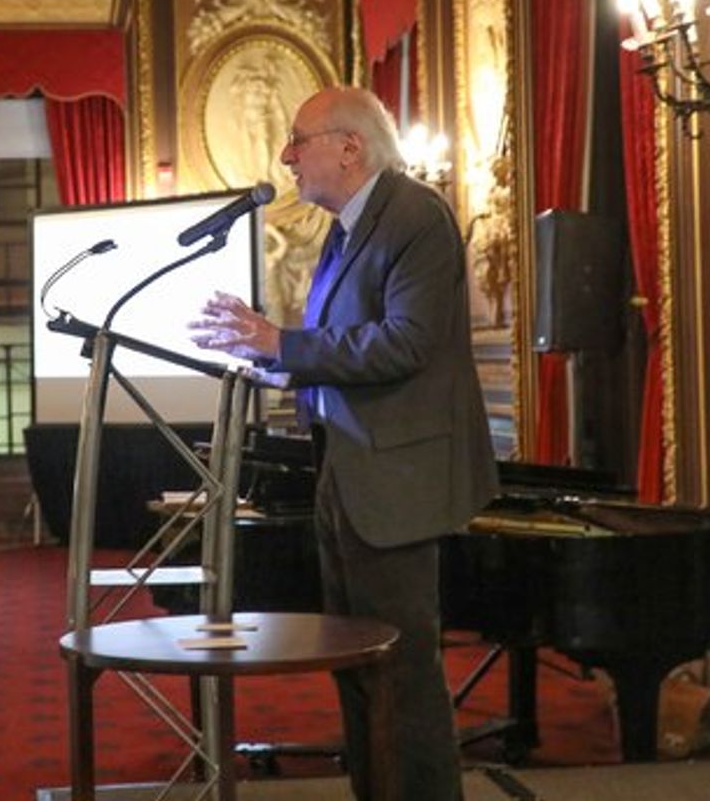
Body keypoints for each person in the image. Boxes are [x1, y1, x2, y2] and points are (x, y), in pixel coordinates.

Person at [190, 86, 498, 800]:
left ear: (349, 147)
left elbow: (406, 342)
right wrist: (263, 349)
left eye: (299, 140)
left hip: (395, 480)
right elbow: (332, 346)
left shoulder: (414, 215)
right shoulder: (345, 229)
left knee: (402, 670)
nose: (286, 156)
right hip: (346, 474)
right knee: (358, 665)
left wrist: (283, 343)